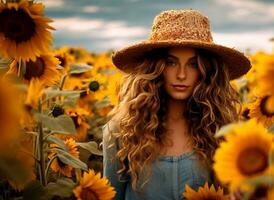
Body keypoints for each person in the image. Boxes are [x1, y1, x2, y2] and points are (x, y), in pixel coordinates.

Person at [102, 9, 251, 200]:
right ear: (155, 67)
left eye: (193, 64)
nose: (181, 74)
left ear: (207, 71)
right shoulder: (121, 131)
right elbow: (110, 195)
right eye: (171, 63)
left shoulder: (220, 130)